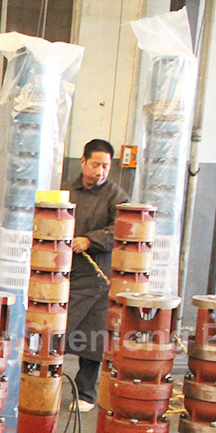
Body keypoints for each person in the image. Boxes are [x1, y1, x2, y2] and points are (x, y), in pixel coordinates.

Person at [64, 139, 129, 411]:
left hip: (98, 275)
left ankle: (85, 394)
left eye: (105, 166)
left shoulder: (116, 196)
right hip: (67, 273)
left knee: (92, 337)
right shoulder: (67, 191)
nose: (100, 171)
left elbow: (122, 229)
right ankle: (46, 384)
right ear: (83, 161)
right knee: (56, 331)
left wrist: (91, 240)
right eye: (95, 165)